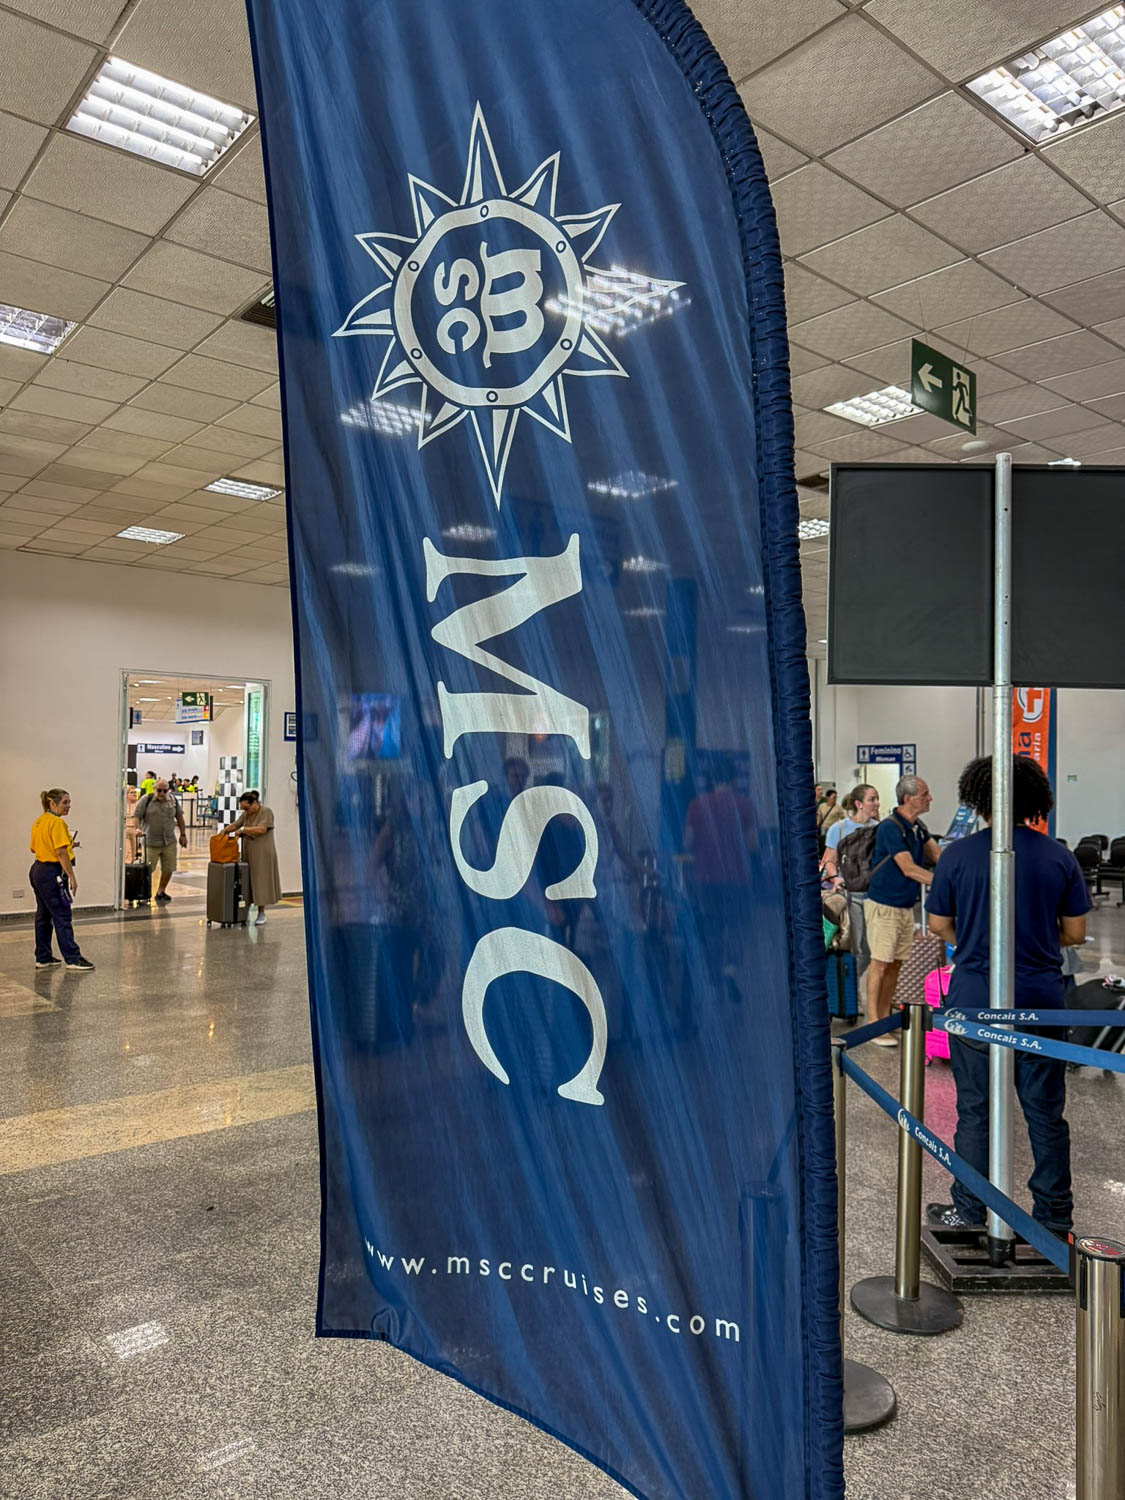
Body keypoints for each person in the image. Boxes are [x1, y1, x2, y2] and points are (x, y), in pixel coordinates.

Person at [925, 756, 1089, 1235]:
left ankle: (971, 1211)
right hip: (1040, 998)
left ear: (979, 798)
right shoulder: (1058, 856)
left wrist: (982, 941)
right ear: (1035, 801)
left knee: (975, 1109)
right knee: (1045, 1112)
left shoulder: (957, 855)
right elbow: (1075, 933)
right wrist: (1032, 941)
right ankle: (1054, 1220)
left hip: (974, 998)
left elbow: (938, 925)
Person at [864, 775, 941, 1045]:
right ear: (909, 799)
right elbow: (908, 868)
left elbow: (937, 856)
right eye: (925, 794)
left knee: (895, 965)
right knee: (880, 963)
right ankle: (873, 1024)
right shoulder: (890, 828)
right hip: (884, 906)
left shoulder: (917, 826)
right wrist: (945, 882)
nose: (929, 798)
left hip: (905, 907)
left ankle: (885, 1020)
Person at [822, 783, 880, 1008]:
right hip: (850, 895)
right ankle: (851, 991)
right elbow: (829, 860)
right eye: (872, 799)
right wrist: (835, 878)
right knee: (855, 946)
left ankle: (855, 986)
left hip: (874, 896)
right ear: (859, 804)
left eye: (876, 799)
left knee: (870, 948)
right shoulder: (840, 829)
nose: (876, 803)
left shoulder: (879, 829)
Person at [28, 788, 94, 971]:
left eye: (69, 802)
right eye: (65, 802)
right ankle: (73, 958)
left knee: (43, 915)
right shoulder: (57, 823)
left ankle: (43, 957)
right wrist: (72, 876)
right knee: (62, 914)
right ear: (52, 803)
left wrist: (68, 843)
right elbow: (60, 852)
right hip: (51, 873)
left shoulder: (39, 821)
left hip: (37, 870)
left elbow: (34, 848)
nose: (68, 806)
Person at [225, 790, 281, 925]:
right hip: (248, 852)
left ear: (255, 803)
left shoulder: (266, 812)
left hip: (262, 853)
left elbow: (262, 829)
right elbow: (236, 824)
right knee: (247, 880)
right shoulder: (246, 814)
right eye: (243, 808)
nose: (245, 811)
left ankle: (262, 913)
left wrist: (244, 830)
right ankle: (245, 910)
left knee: (260, 881)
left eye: (247, 808)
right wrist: (225, 831)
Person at [135, 779, 188, 903]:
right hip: (151, 841)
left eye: (165, 790)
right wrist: (137, 830)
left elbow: (179, 817)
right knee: (148, 870)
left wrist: (183, 835)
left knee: (169, 868)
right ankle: (142, 893)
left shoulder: (173, 801)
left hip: (169, 841)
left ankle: (161, 891)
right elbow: (137, 815)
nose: (162, 793)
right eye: (159, 790)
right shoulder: (146, 799)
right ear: (154, 789)